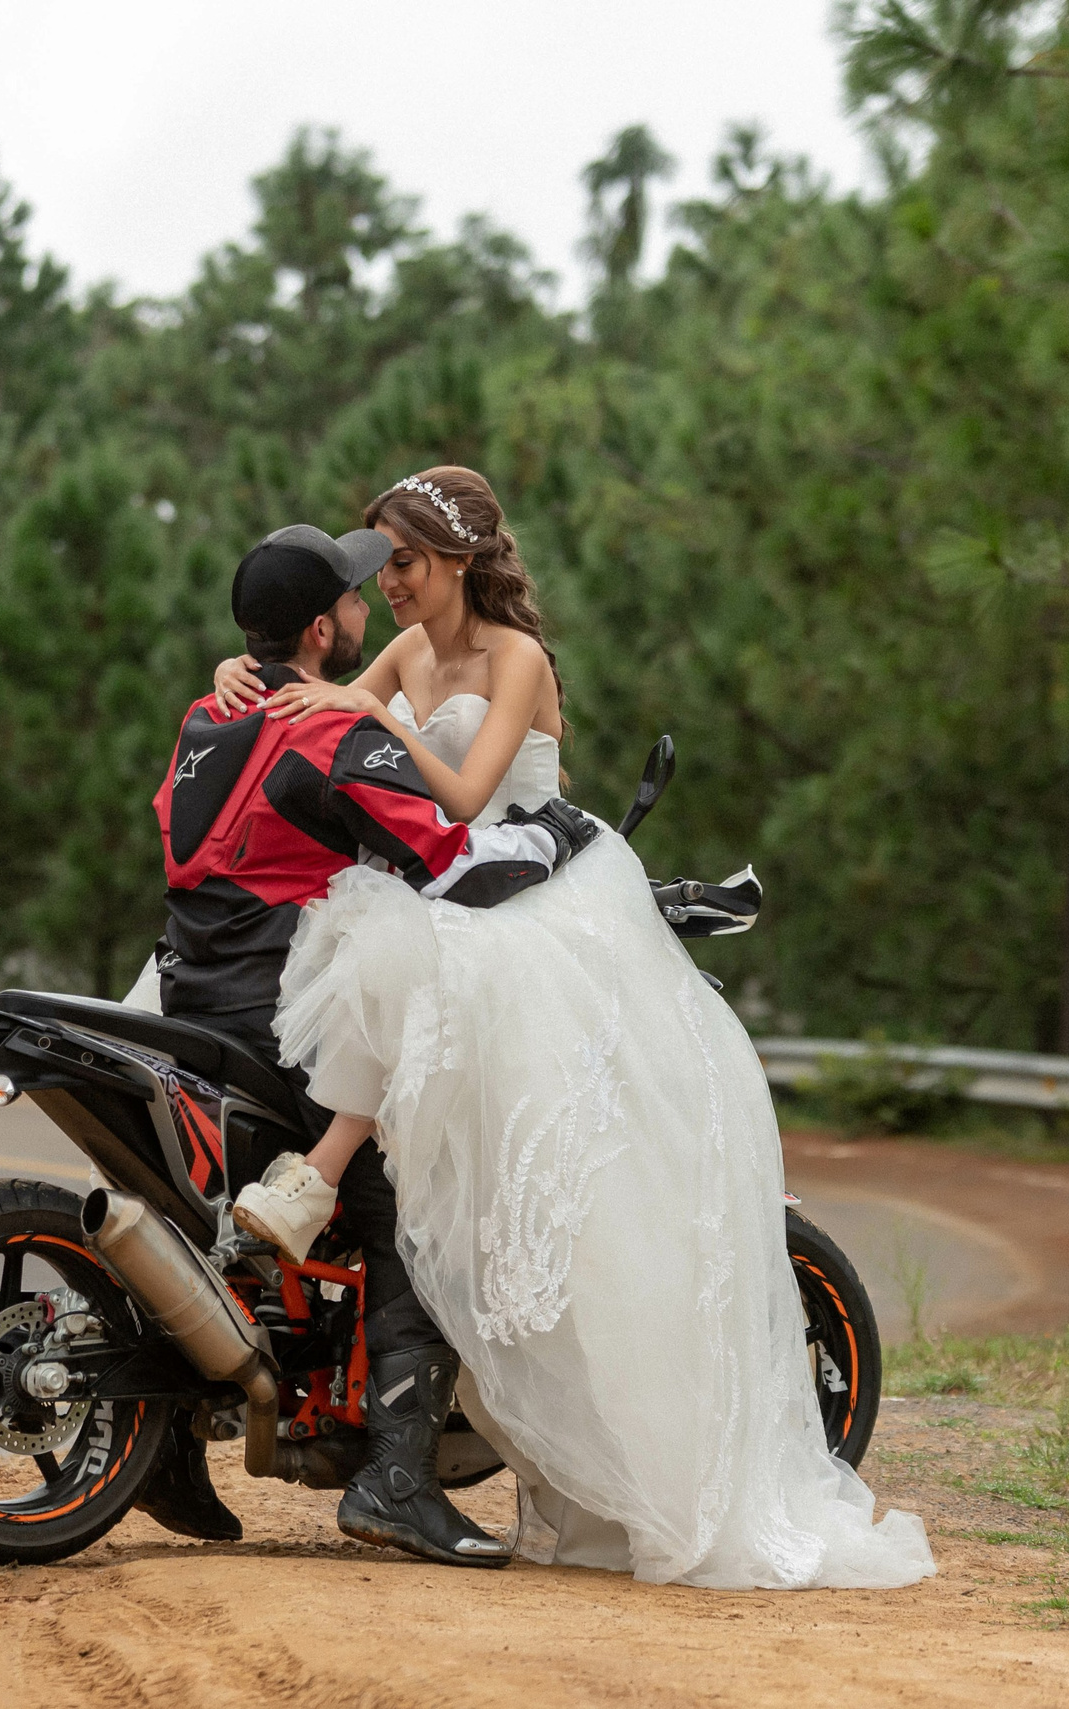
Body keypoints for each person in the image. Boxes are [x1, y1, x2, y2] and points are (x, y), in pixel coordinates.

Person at [205, 466, 935, 1591]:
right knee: (376, 946)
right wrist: (254, 679)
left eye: (400, 561)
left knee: (415, 965)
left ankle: (323, 1183)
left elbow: (459, 792)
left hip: (535, 889)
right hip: (458, 886)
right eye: (378, 565)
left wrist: (355, 706)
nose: (387, 584)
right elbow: (330, 714)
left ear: (450, 560)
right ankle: (330, 1215)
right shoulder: (398, 658)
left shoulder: (514, 658)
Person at [150, 520, 597, 1568]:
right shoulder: (336, 733)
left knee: (198, 1205)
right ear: (320, 627)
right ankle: (396, 1471)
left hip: (187, 996)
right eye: (354, 592)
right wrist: (562, 838)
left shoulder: (202, 718)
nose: (370, 602)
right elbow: (450, 859)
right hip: (281, 1009)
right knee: (416, 1200)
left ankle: (169, 1436)